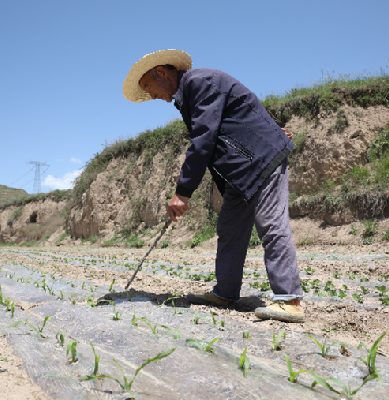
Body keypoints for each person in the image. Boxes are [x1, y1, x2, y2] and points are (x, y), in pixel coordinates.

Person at [123, 50, 304, 322]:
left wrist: (182, 192)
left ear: (161, 72)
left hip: (261, 159)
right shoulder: (190, 94)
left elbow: (203, 140)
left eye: (148, 86)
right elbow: (242, 114)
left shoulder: (201, 82)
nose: (150, 95)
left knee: (270, 222)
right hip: (240, 171)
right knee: (229, 228)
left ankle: (289, 300)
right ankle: (225, 293)